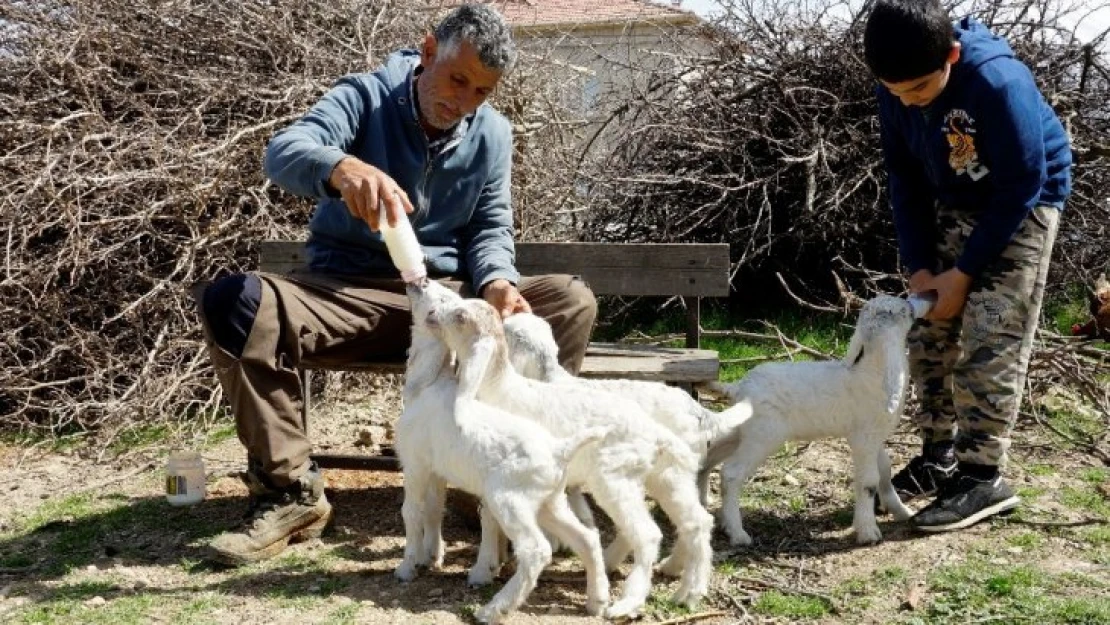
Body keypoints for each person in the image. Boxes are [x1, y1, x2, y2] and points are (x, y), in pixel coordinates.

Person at [195, 4, 597, 565]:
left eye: (481, 92)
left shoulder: (493, 135)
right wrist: (340, 169)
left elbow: (490, 227)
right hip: (347, 295)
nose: (463, 101)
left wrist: (500, 282)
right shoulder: (363, 98)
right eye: (458, 79)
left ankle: (490, 474)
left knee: (568, 301)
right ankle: (290, 494)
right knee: (236, 302)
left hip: (447, 301)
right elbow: (284, 152)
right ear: (429, 51)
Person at [863, 0, 1071, 532]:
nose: (908, 102)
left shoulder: (998, 82)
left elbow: (1024, 181)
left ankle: (983, 476)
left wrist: (967, 272)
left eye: (919, 91)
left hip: (1022, 201)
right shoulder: (898, 87)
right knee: (928, 326)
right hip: (950, 197)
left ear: (951, 54)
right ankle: (940, 457)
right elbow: (904, 181)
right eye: (896, 93)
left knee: (988, 330)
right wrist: (921, 269)